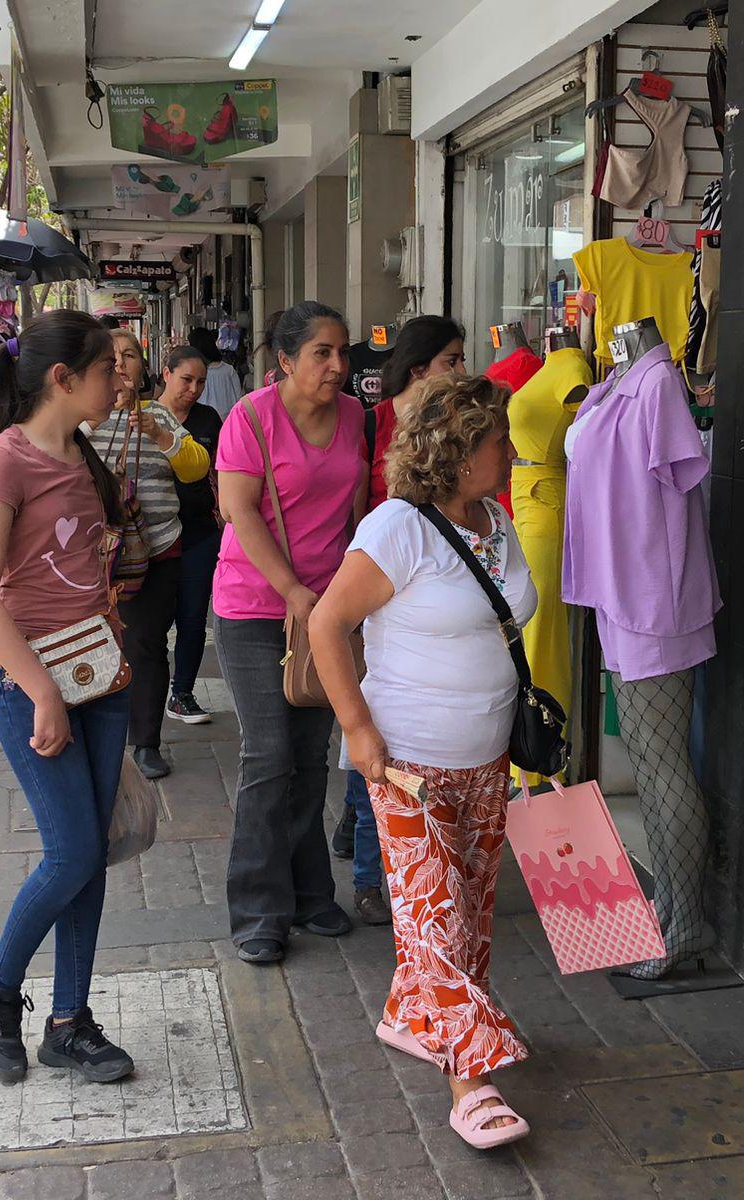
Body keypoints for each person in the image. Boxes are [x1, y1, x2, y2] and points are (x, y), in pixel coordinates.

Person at [310, 373, 535, 1149]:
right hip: (408, 762)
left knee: (469, 912)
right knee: (435, 918)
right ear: (460, 449)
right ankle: (471, 1084)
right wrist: (357, 728)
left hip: (488, 754)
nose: (512, 451)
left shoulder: (495, 520)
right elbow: (326, 625)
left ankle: (412, 1016)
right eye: (499, 439)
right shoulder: (397, 528)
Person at [0, 310, 136, 1085]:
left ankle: (69, 1022)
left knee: (91, 857)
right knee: (72, 853)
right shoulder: (5, 461)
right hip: (33, 687)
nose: (121, 379)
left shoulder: (87, 455)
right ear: (64, 379)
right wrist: (42, 693)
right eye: (107, 369)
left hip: (98, 677)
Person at [215, 301, 363, 965]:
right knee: (269, 754)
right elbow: (238, 511)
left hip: (328, 611)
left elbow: (354, 511)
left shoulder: (355, 416)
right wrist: (294, 592)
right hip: (253, 606)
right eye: (322, 353)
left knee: (309, 755)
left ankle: (309, 893)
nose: (337, 365)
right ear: (285, 360)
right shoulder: (250, 418)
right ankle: (257, 910)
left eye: (343, 352)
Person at [332, 314, 468, 928]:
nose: (460, 370)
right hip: (379, 586)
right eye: (451, 360)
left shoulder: (457, 423)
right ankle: (370, 877)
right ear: (419, 368)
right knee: (375, 724)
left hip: (439, 590)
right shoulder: (373, 421)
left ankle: (376, 838)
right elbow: (355, 504)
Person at [90, 326, 210, 779]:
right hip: (95, 554)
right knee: (103, 642)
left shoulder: (158, 414)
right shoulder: (84, 417)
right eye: (112, 356)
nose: (121, 364)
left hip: (157, 549)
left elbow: (196, 468)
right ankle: (103, 735)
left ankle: (145, 742)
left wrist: (158, 433)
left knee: (147, 643)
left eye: (129, 356)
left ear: (143, 368)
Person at [155, 346, 222, 725]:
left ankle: (182, 693)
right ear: (166, 373)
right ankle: (144, 695)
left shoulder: (208, 419)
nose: (193, 389)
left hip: (199, 533)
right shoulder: (146, 417)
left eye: (200, 382)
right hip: (152, 537)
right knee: (153, 622)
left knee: (194, 617)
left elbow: (222, 471)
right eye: (186, 379)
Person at [190, 326, 244, 420]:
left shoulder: (197, 372)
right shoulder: (229, 370)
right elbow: (239, 400)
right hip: (228, 421)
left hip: (203, 421)